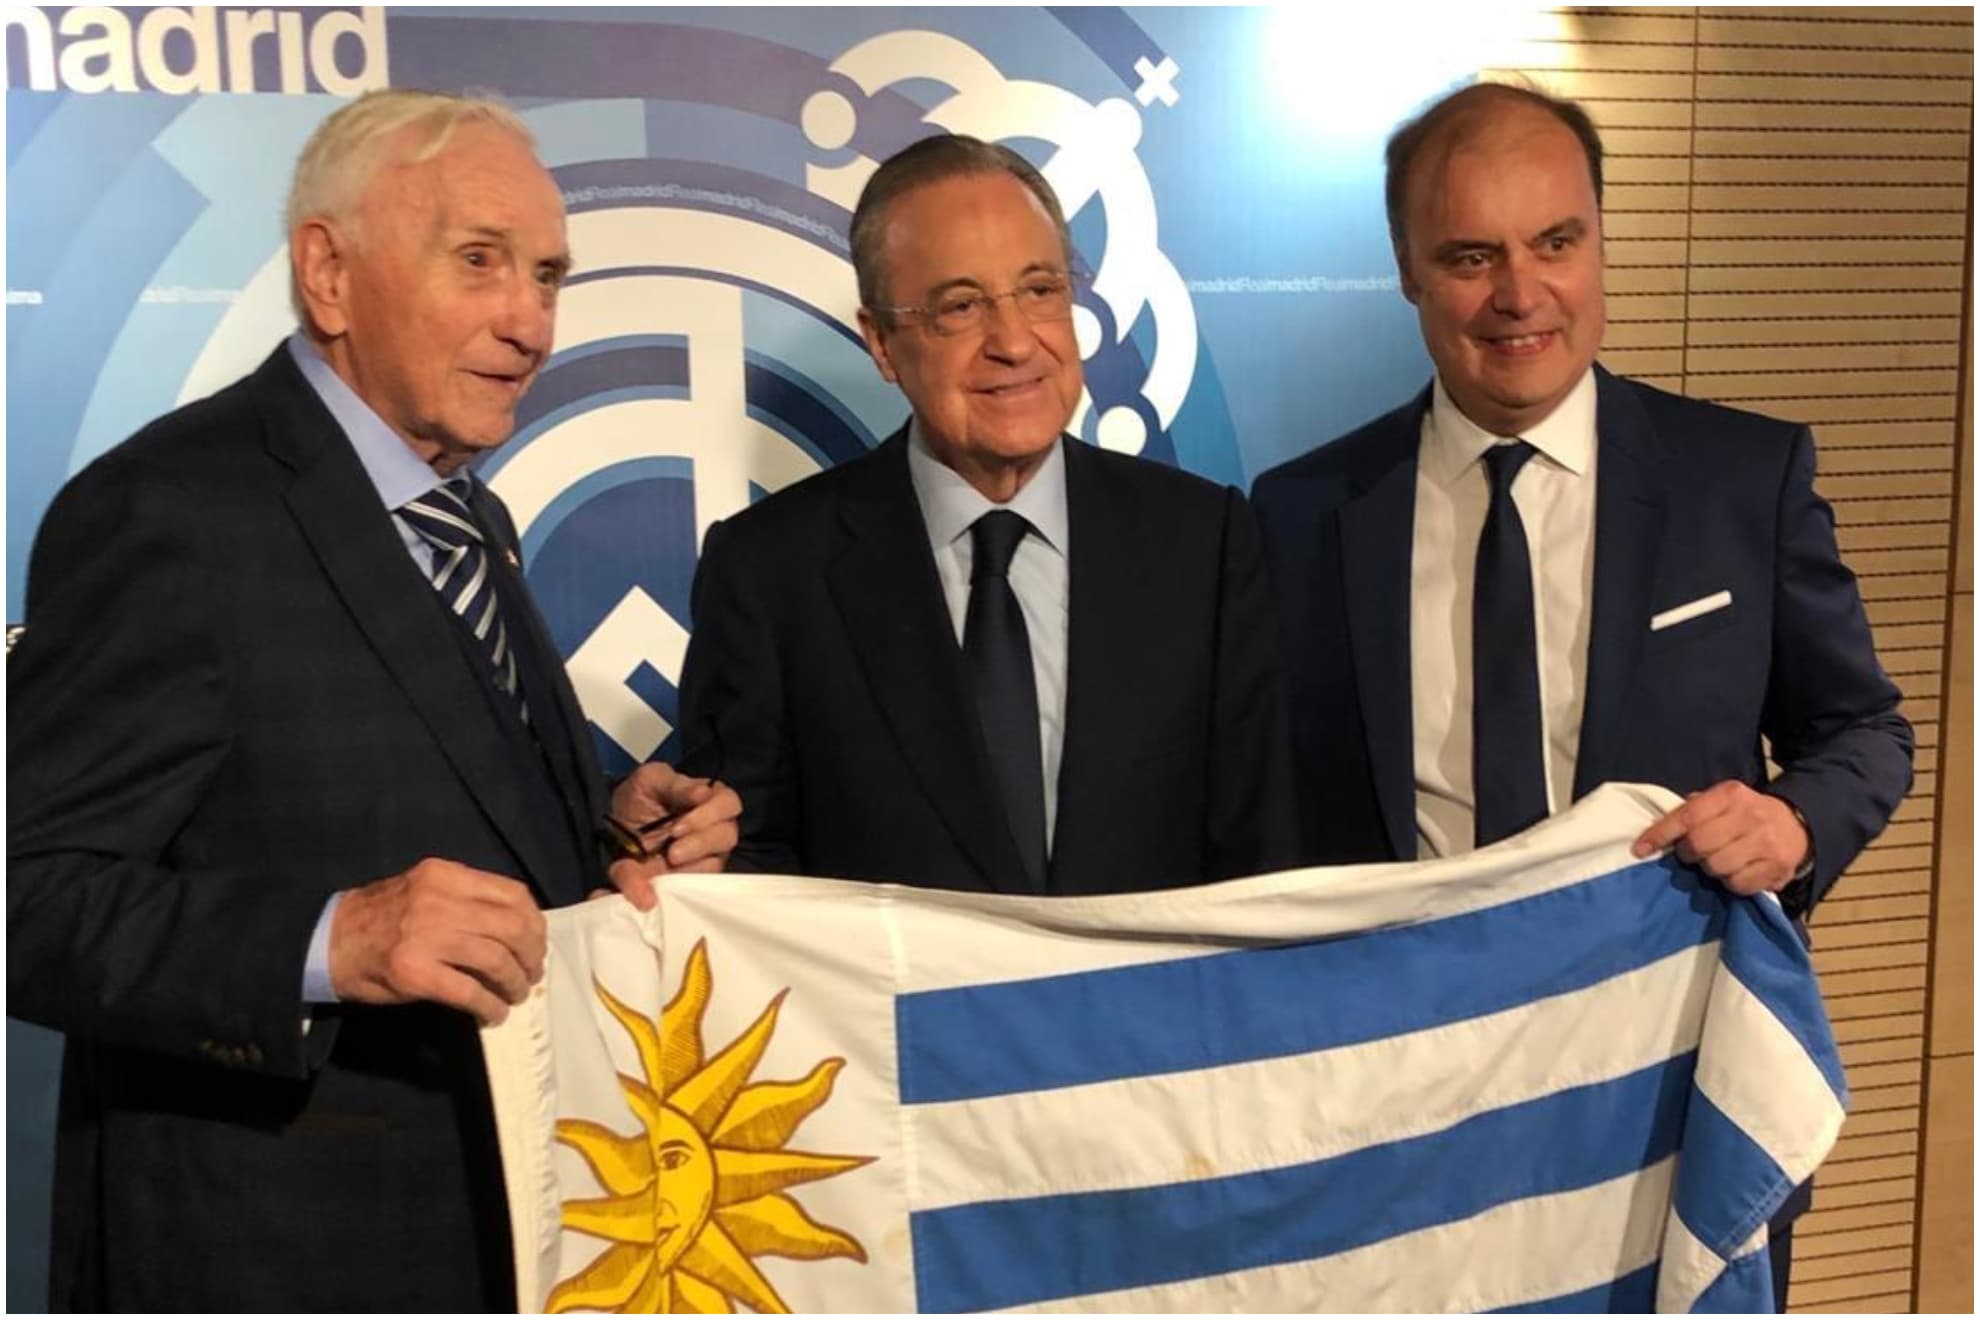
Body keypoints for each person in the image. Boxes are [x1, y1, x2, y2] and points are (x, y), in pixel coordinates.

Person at [7, 89, 740, 1311]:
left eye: (550, 276)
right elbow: (22, 894)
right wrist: (325, 943)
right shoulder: (167, 513)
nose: (529, 322)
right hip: (270, 1258)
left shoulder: (471, 516)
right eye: (480, 263)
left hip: (510, 1235)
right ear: (330, 277)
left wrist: (607, 826)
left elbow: (400, 786)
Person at [1250, 81, 1914, 1308]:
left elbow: (1861, 729)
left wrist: (1795, 822)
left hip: (1674, 1112)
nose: (1520, 294)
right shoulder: (1298, 514)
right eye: (1469, 256)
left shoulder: (1742, 477)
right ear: (1406, 273)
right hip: (1396, 1123)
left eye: (1557, 241)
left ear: (1601, 239)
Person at [677, 133, 1298, 895]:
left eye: (1039, 290)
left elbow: (1262, 861)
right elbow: (743, 874)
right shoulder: (770, 572)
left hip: (1157, 1012)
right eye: (960, 306)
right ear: (881, 342)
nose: (1013, 342)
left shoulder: (1204, 542)